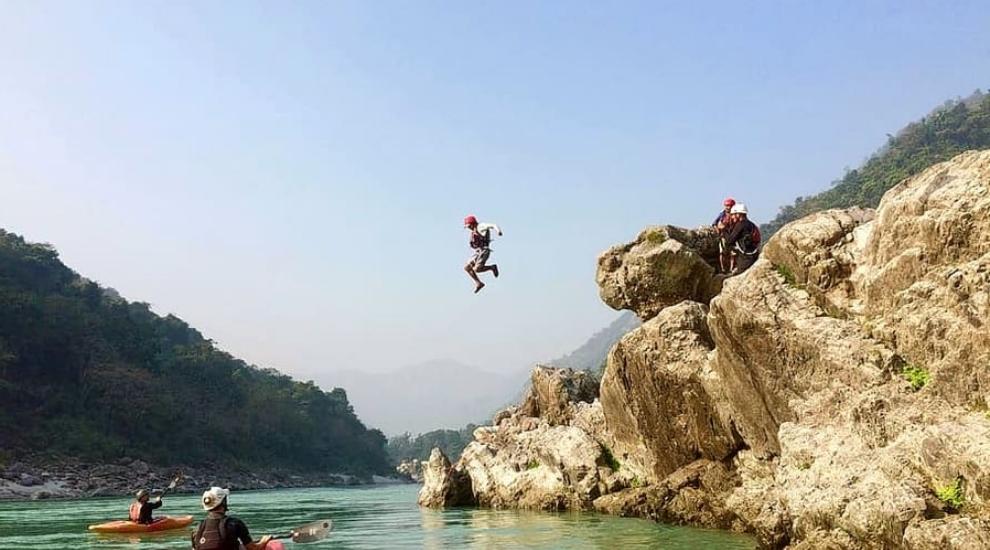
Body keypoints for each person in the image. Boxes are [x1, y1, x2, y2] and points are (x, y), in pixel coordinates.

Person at [192, 487, 273, 550]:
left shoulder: (197, 528)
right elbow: (253, 548)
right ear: (223, 502)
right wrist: (264, 540)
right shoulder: (235, 523)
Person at [463, 215, 503, 294]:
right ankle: (479, 283)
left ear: (472, 223)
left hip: (484, 251)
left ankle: (492, 267)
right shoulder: (474, 230)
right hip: (478, 252)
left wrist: (498, 231)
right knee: (467, 267)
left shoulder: (481, 226)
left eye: (469, 226)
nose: (468, 228)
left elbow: (493, 225)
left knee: (477, 269)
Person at [724, 203, 761, 274]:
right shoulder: (750, 224)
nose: (732, 217)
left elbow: (729, 241)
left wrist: (724, 230)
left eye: (733, 214)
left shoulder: (741, 225)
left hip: (745, 257)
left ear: (739, 214)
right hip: (753, 254)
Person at [712, 197, 736, 273]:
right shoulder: (722, 214)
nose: (728, 208)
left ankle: (731, 268)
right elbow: (714, 224)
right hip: (723, 236)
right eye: (727, 206)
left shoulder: (736, 215)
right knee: (722, 252)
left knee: (733, 253)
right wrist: (718, 230)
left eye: (730, 206)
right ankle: (723, 269)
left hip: (733, 236)